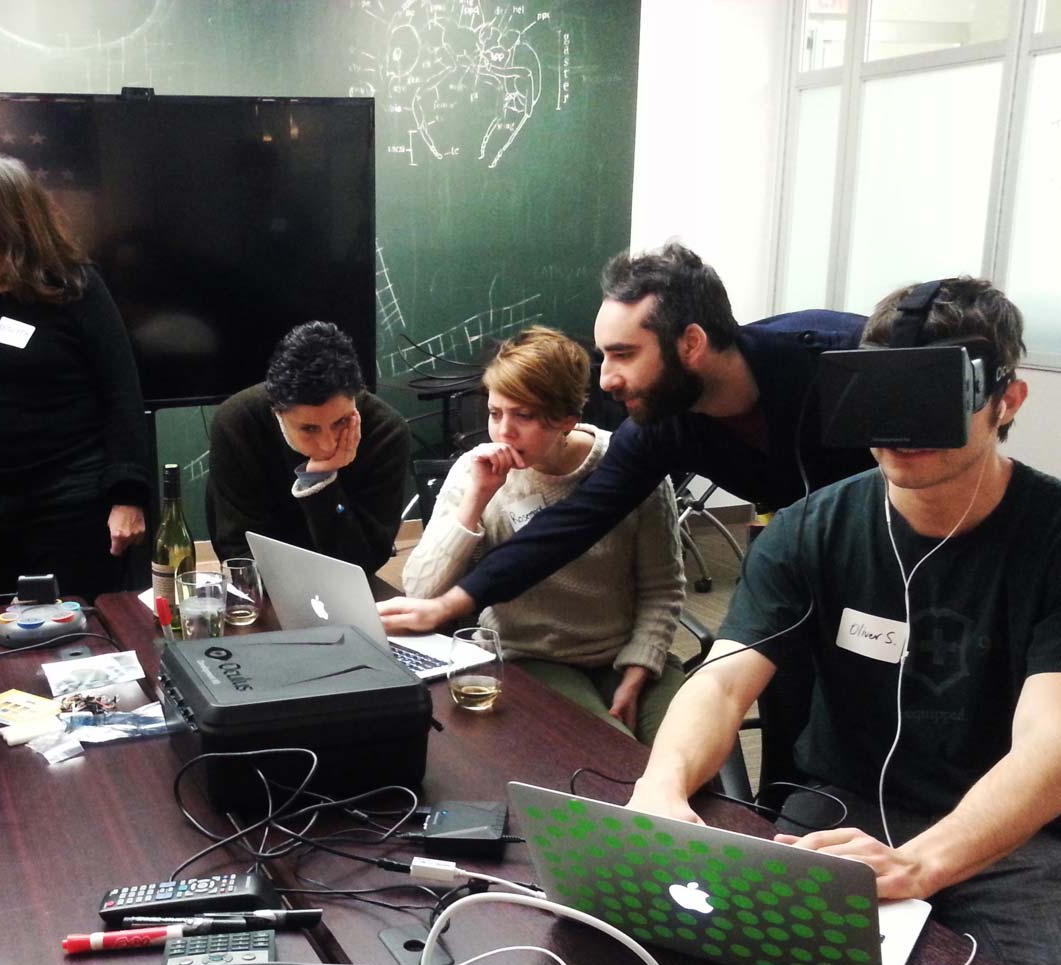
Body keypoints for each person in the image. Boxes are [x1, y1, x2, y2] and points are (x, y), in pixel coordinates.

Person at [626, 278, 1061, 965]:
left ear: (1008, 400)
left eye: (929, 395)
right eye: (878, 395)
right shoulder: (807, 528)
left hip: (1011, 840)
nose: (902, 428)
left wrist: (921, 863)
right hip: (833, 813)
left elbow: (1056, 745)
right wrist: (661, 791)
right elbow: (723, 681)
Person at [379, 242, 873, 634]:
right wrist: (449, 604)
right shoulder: (663, 425)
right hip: (809, 558)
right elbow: (573, 522)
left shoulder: (845, 358)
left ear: (691, 343)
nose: (606, 379)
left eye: (623, 354)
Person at [401, 326, 685, 743]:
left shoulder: (628, 467)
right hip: (530, 655)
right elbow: (421, 592)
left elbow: (662, 587)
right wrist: (476, 499)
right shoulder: (474, 471)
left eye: (524, 416)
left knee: (688, 758)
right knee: (609, 754)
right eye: (495, 413)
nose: (504, 432)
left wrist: (639, 669)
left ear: (567, 420)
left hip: (624, 652)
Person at [0, 153, 150, 610]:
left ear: (17, 228)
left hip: (68, 499)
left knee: (70, 637)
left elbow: (121, 393)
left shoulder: (75, 287)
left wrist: (127, 495)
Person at [208, 321, 410, 576]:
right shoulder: (237, 423)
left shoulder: (386, 432)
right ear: (277, 412)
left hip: (347, 586)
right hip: (268, 586)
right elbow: (237, 552)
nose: (328, 444)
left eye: (341, 422)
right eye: (309, 429)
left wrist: (320, 481)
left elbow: (366, 560)